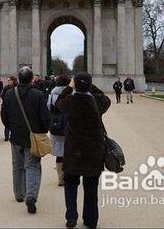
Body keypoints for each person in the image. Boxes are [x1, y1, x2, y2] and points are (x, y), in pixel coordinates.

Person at [56, 72, 108, 229]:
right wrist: (89, 85)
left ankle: (71, 217)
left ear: (75, 85)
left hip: (74, 150)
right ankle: (91, 220)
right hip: (93, 150)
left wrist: (69, 87)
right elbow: (106, 98)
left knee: (71, 184)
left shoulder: (70, 102)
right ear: (90, 85)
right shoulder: (97, 102)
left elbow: (57, 102)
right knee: (91, 188)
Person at [1, 67, 50, 214]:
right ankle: (31, 196)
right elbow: (45, 117)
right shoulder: (39, 94)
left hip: (16, 136)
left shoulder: (9, 94)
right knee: (33, 166)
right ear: (31, 79)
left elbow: (4, 116)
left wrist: (12, 128)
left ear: (18, 78)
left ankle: (19, 194)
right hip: (33, 136)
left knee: (17, 166)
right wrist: (43, 131)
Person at [47, 74, 71, 186]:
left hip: (56, 124)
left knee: (59, 154)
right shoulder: (70, 92)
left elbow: (48, 107)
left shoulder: (53, 93)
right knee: (69, 151)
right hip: (69, 125)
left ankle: (60, 178)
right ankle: (69, 176)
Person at [1, 76, 18, 141]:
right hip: (7, 106)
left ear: (13, 81)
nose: (8, 81)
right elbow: (2, 96)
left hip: (15, 106)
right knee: (7, 120)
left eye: (9, 80)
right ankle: (6, 136)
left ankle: (13, 135)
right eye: (8, 80)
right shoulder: (6, 88)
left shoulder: (16, 87)